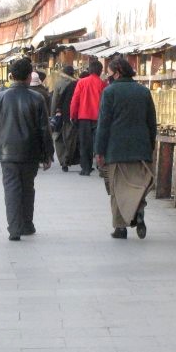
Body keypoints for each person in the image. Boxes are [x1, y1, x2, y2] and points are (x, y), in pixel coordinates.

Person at [0, 58, 54, 241]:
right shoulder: (37, 98)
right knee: (28, 187)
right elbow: (44, 129)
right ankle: (27, 224)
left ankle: (14, 228)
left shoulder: (0, 97)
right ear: (27, 76)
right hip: (30, 152)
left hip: (7, 152)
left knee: (12, 189)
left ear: (11, 76)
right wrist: (48, 154)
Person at [94, 57, 157, 240]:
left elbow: (103, 124)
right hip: (140, 148)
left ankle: (120, 227)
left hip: (116, 149)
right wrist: (150, 145)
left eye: (110, 72)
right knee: (137, 185)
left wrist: (99, 150)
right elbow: (151, 122)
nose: (108, 76)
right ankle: (138, 211)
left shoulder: (110, 92)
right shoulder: (143, 92)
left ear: (118, 72)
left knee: (117, 190)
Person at [69, 60, 107, 176]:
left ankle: (86, 168)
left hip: (83, 116)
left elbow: (75, 100)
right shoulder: (103, 84)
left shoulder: (81, 82)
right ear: (100, 71)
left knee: (85, 143)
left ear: (89, 70)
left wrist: (72, 115)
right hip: (98, 117)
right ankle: (101, 166)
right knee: (98, 142)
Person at [50, 65, 78, 172]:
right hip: (72, 115)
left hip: (59, 113)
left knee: (58, 137)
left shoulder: (59, 83)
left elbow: (55, 100)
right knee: (70, 138)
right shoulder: (77, 83)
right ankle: (68, 158)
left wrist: (53, 115)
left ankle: (63, 160)